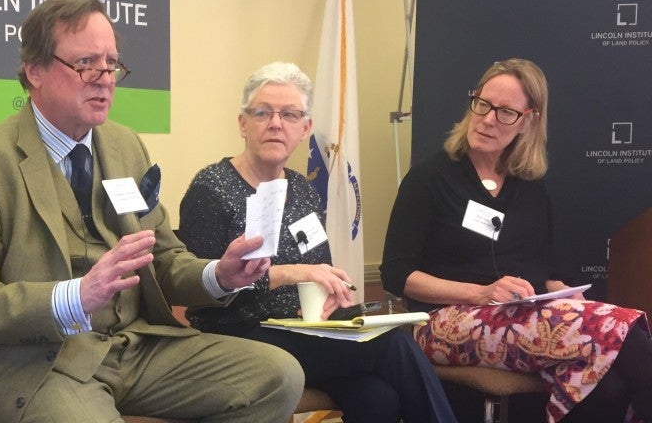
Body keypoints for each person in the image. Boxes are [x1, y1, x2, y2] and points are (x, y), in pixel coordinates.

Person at [0, 0, 304, 423]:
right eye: (87, 63)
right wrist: (76, 296)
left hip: (132, 346)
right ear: (35, 71)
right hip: (36, 362)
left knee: (277, 376)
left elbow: (163, 258)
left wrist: (218, 275)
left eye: (112, 64)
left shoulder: (126, 146)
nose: (105, 78)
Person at [176, 62, 456, 423]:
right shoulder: (210, 189)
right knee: (394, 346)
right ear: (243, 124)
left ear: (305, 128)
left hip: (302, 329)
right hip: (238, 335)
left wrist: (330, 296)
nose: (276, 123)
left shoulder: (303, 191)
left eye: (289, 114)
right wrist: (291, 273)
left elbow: (317, 269)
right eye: (263, 113)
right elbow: (196, 287)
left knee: (378, 398)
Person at [380, 58, 652, 423]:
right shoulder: (429, 179)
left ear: (529, 120)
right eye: (483, 104)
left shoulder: (530, 188)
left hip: (520, 315)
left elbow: (546, 271)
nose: (488, 119)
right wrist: (478, 293)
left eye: (506, 112)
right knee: (625, 332)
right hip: (441, 322)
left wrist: (569, 297)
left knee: (610, 380)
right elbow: (396, 274)